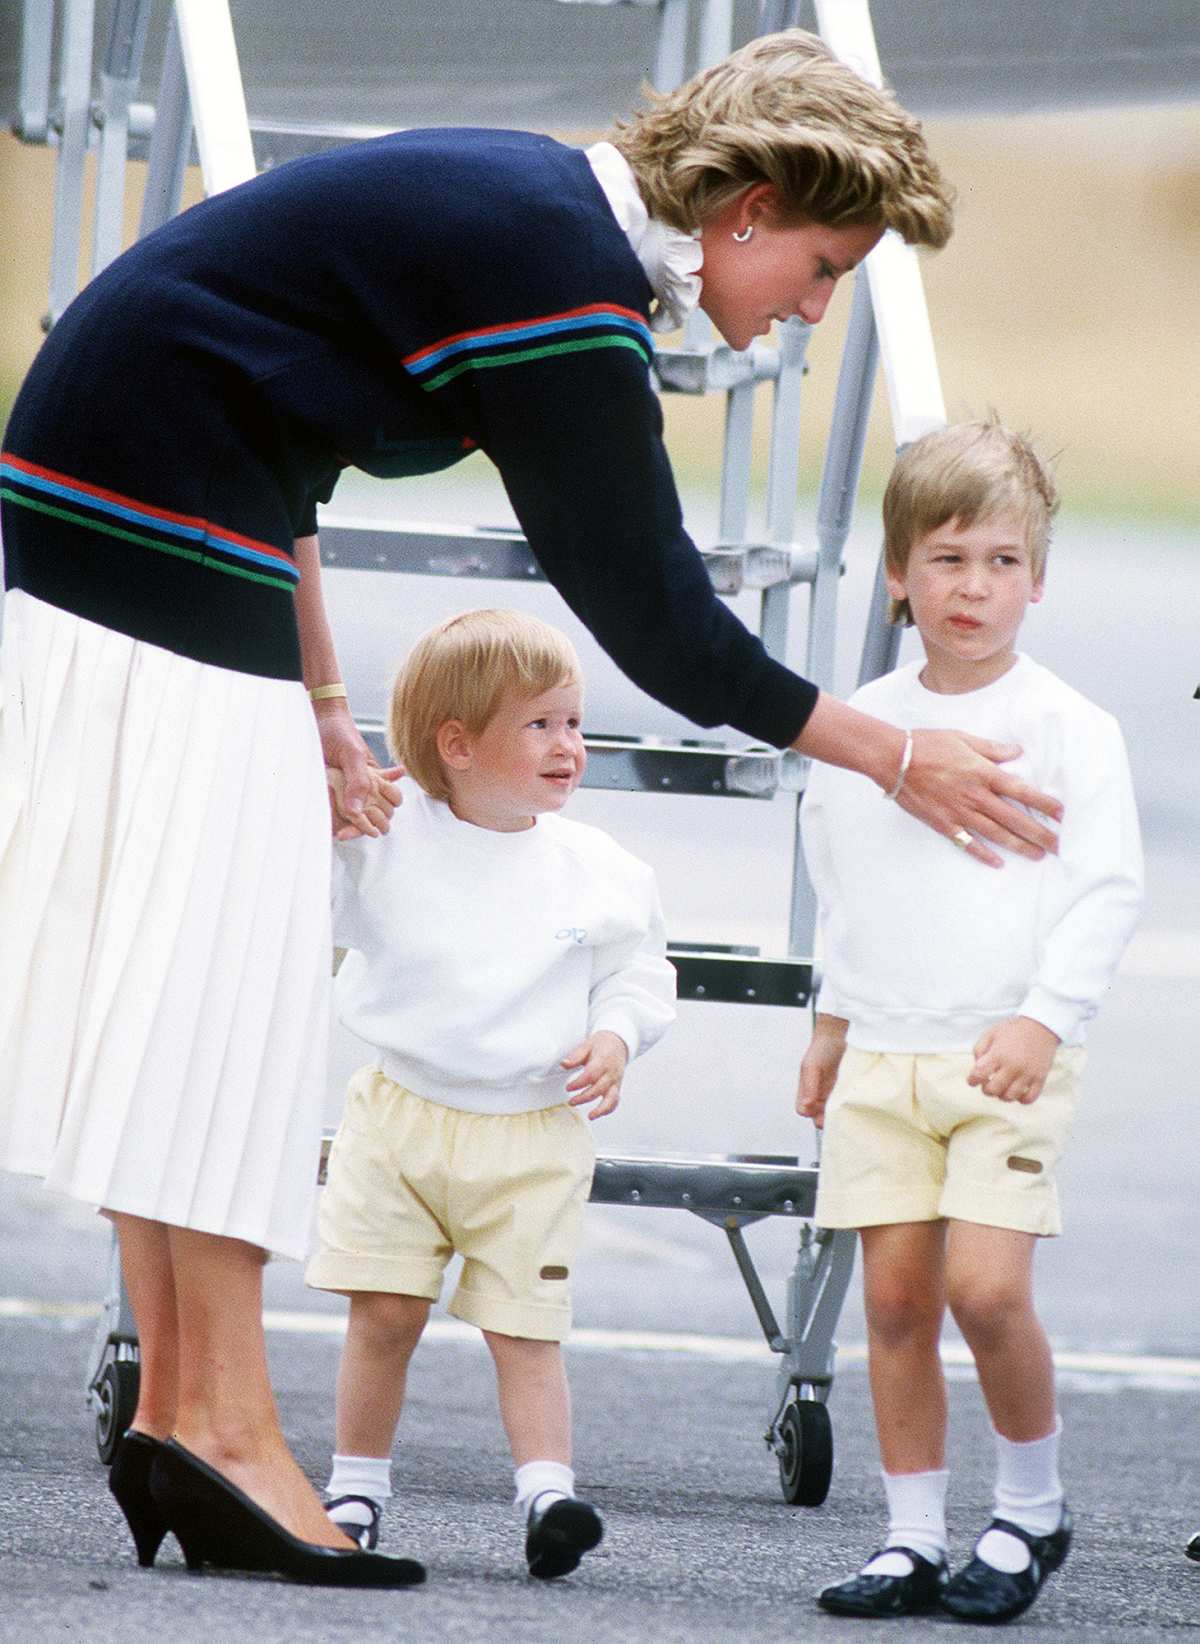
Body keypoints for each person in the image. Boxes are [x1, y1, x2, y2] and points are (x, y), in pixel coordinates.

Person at [0, 26, 1064, 1581]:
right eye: (824, 268)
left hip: (127, 491)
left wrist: (318, 701)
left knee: (185, 978)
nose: (814, 316)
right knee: (219, 978)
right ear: (747, 208)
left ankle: (183, 1414)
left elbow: (285, 421)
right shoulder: (566, 282)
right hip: (152, 507)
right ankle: (219, 1429)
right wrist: (894, 749)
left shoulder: (536, 221)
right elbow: (651, 610)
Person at [796, 420, 1144, 1625]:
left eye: (1001, 561)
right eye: (946, 560)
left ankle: (1030, 1510)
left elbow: (1104, 891)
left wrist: (1046, 1021)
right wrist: (834, 1025)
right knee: (893, 1301)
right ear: (897, 573)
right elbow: (843, 887)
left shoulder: (1073, 728)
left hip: (1007, 1054)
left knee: (986, 1293)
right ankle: (908, 1537)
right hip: (885, 1049)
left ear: (1037, 578)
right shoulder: (864, 727)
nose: (973, 587)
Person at [305, 608, 675, 1578]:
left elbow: (640, 973)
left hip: (532, 1130)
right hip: (400, 1118)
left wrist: (615, 1034)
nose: (569, 746)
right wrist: (327, 812)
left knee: (525, 1327)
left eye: (573, 721)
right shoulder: (383, 843)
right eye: (540, 725)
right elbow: (295, 898)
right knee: (383, 1314)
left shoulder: (598, 868)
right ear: (457, 746)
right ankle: (356, 1488)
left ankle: (548, 1493)